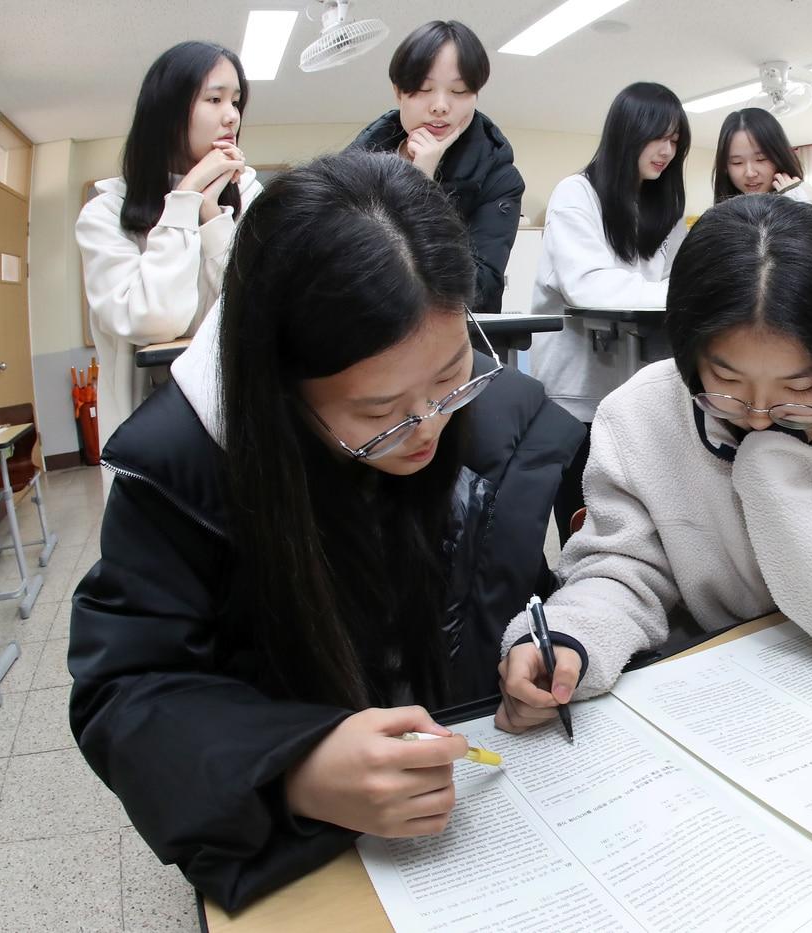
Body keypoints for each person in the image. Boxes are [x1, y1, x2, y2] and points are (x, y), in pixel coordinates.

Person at [68, 152, 584, 909]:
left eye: (449, 378)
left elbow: (511, 583)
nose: (427, 427)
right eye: (379, 414)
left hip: (484, 813)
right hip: (314, 857)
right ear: (276, 386)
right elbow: (128, 691)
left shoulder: (494, 413)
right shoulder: (184, 473)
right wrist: (297, 770)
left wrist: (535, 644)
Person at [497, 195, 812, 732]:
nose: (757, 417)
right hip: (706, 703)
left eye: (799, 388)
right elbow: (622, 567)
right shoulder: (642, 412)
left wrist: (774, 470)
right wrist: (571, 637)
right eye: (726, 382)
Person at [76, 40, 261, 460]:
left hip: (241, 418)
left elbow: (252, 304)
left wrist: (213, 214)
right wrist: (185, 199)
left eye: (236, 100)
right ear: (167, 110)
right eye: (214, 99)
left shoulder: (248, 192)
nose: (231, 115)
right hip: (155, 429)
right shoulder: (104, 212)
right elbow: (154, 319)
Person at [529, 81, 691, 424]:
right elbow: (589, 286)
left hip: (636, 389)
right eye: (657, 137)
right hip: (577, 394)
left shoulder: (665, 210)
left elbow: (677, 278)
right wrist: (684, 295)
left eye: (675, 141)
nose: (667, 151)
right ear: (627, 134)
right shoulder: (576, 194)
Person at [350, 20, 523, 312]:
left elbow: (481, 290)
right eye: (424, 88)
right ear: (399, 92)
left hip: (447, 339)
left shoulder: (499, 178)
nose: (440, 105)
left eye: (459, 91)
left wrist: (422, 184)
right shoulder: (355, 163)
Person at [712, 107, 812, 207]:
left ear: (780, 157)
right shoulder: (722, 214)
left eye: (761, 159)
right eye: (737, 162)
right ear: (725, 167)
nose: (750, 173)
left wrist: (803, 205)